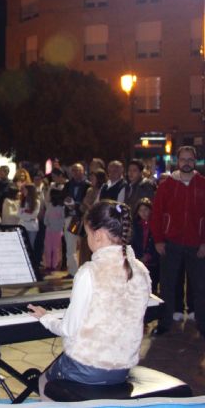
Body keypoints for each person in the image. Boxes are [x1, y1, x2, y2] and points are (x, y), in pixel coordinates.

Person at [28, 200, 151, 398]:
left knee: (42, 380)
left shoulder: (89, 272)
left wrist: (45, 317)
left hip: (87, 369)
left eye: (87, 233)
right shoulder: (141, 270)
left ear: (99, 235)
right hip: (122, 370)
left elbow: (68, 329)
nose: (86, 239)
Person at [151, 146, 205, 337]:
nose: (187, 163)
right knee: (167, 285)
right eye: (183, 159)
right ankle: (165, 323)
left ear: (195, 161)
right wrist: (158, 240)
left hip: (196, 245)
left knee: (200, 287)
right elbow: (156, 214)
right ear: (177, 161)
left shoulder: (203, 184)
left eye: (190, 160)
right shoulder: (166, 186)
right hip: (170, 243)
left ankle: (202, 324)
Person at [132, 198, 160, 295]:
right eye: (141, 210)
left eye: (146, 210)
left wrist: (148, 255)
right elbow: (134, 242)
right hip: (139, 260)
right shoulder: (136, 225)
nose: (143, 213)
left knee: (152, 287)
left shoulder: (156, 224)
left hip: (153, 261)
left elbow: (155, 242)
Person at [43, 187, 65, 272]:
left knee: (56, 248)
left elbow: (63, 220)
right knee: (48, 247)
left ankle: (54, 264)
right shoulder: (50, 206)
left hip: (57, 231)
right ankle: (48, 264)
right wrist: (47, 223)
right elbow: (46, 217)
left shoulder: (61, 208)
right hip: (49, 230)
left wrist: (58, 226)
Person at [18, 183, 40, 249]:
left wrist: (24, 212)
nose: (23, 192)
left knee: (30, 246)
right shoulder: (22, 201)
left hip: (32, 226)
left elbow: (34, 215)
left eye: (25, 190)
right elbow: (19, 214)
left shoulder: (36, 202)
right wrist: (27, 212)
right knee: (22, 246)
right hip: (23, 225)